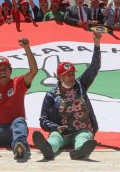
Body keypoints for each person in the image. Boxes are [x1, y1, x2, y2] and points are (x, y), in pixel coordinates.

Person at [33, 31, 102, 160]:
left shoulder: (81, 84)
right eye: (67, 74)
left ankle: (80, 151)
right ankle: (47, 148)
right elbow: (43, 120)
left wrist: (97, 44)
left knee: (82, 138)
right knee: (54, 138)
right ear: (60, 77)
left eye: (72, 74)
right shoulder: (51, 95)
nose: (71, 77)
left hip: (82, 129)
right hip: (62, 132)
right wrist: (57, 127)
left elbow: (94, 67)